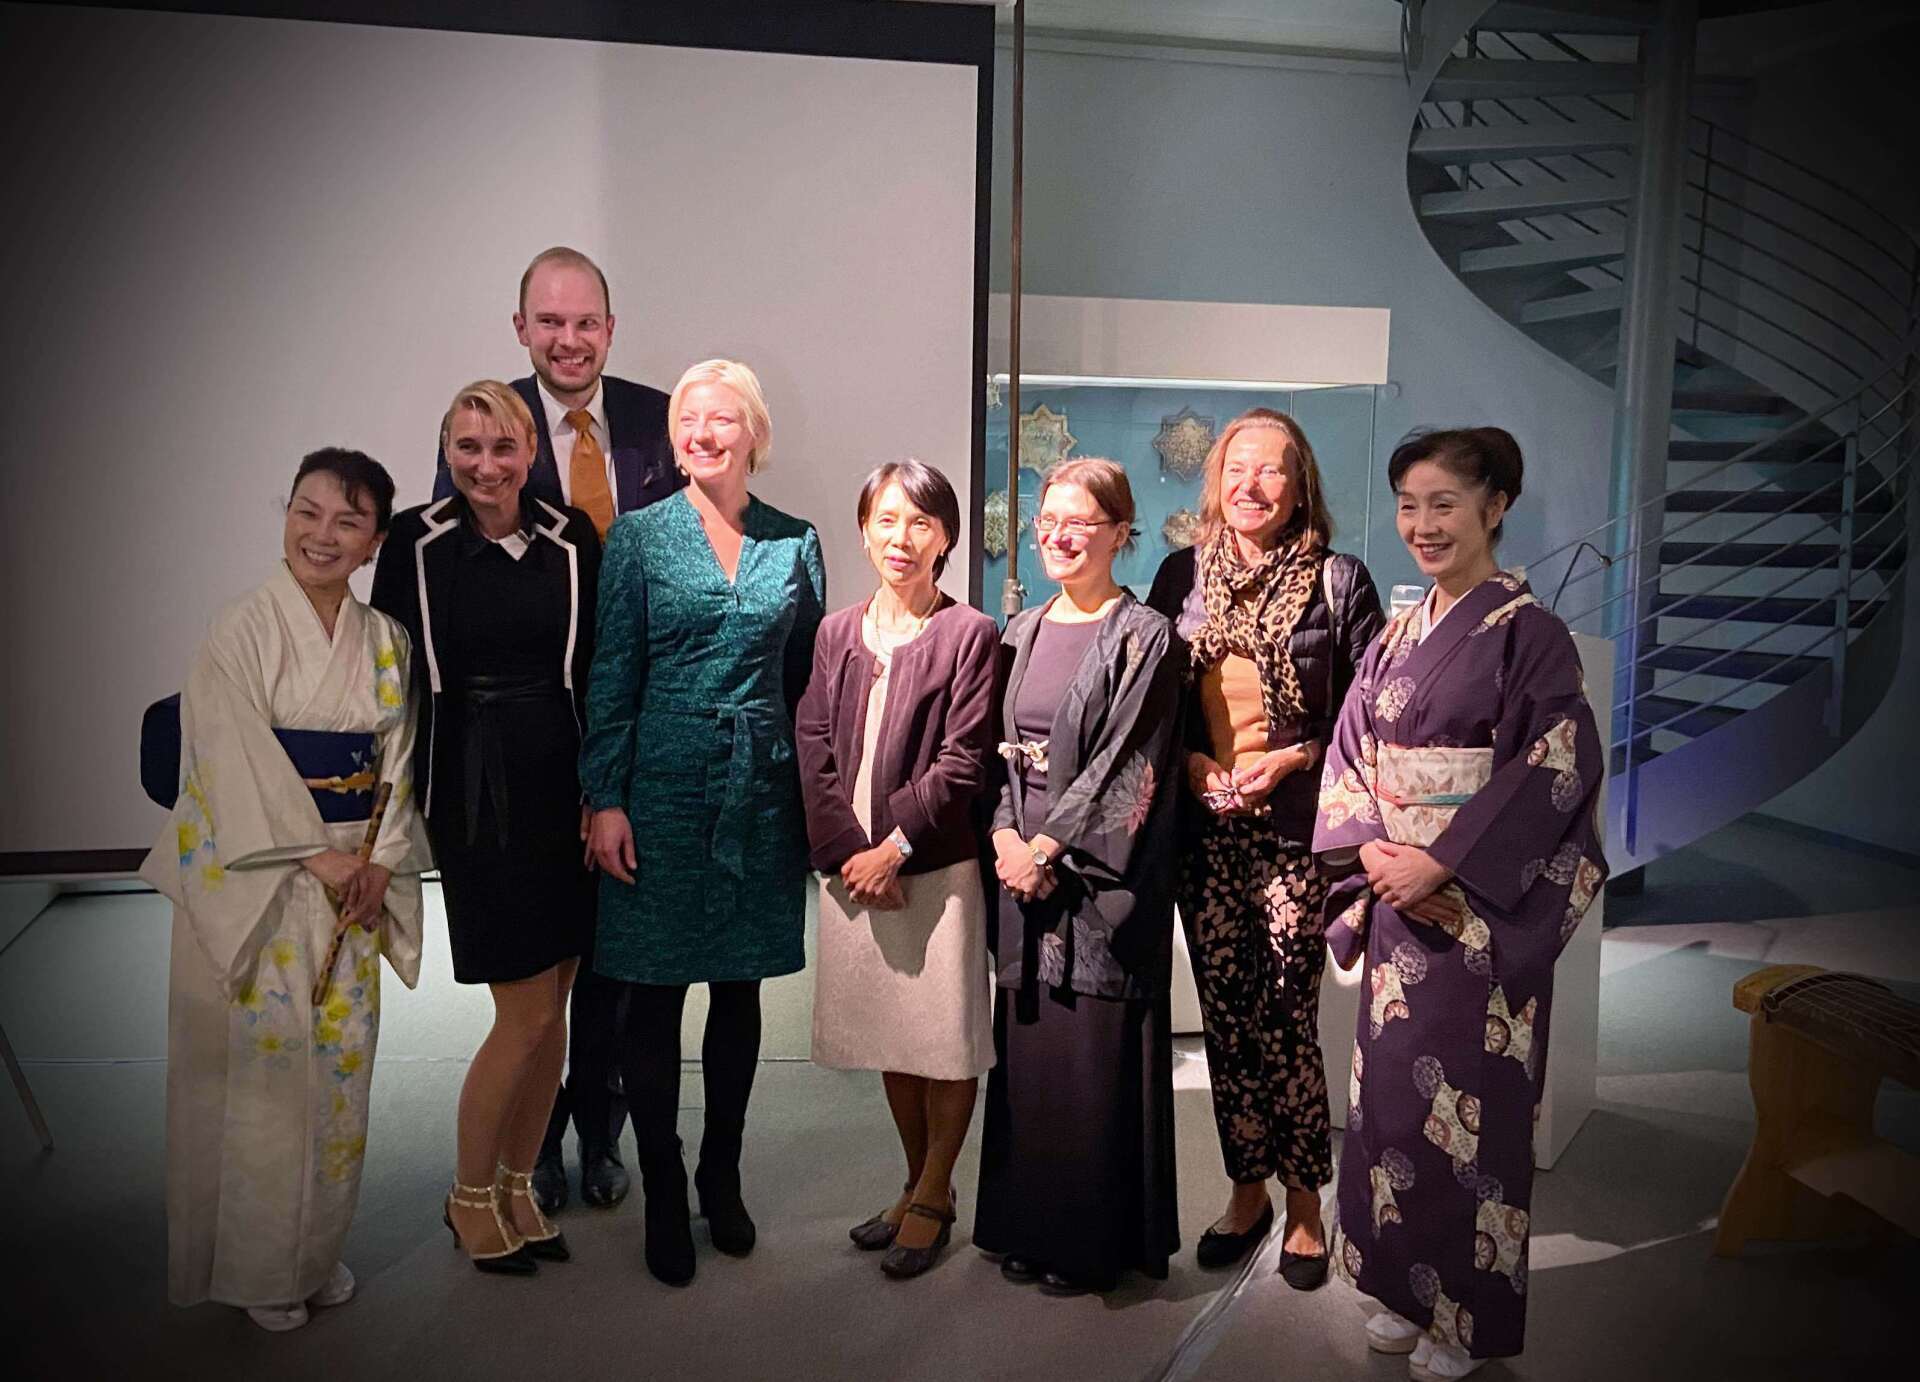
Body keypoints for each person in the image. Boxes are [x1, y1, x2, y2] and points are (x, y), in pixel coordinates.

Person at [1313, 428, 1607, 1380]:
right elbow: (1351, 755)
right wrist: (1377, 863)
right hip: (1399, 905)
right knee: (1392, 1117)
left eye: (1444, 504)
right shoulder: (1396, 635)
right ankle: (1402, 1286)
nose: (1423, 525)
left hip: (1475, 918)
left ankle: (1465, 1317)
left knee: (1473, 1123)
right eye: (1409, 504)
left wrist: (1439, 863)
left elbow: (1555, 766)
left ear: (1496, 507)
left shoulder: (1532, 636)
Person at [143, 448, 426, 1332]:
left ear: (376, 541)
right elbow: (223, 760)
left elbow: (400, 763)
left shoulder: (387, 641)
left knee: (338, 1074)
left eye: (348, 522)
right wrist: (318, 855)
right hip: (264, 876)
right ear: (287, 516)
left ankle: (311, 1251)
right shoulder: (242, 627)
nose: (322, 535)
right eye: (307, 512)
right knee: (264, 1076)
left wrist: (380, 858)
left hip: (353, 880)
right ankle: (259, 1269)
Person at [434, 246, 683, 1213]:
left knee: (608, 953)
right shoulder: (485, 428)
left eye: (586, 323)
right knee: (537, 962)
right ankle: (528, 1149)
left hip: (637, 715)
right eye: (550, 322)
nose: (568, 340)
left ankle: (602, 1128)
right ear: (520, 329)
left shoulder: (663, 422)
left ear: (610, 330)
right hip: (531, 737)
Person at [583, 358, 825, 1286]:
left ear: (755, 435)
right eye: (689, 419)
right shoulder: (638, 540)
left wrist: (815, 802)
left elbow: (806, 685)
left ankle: (721, 1172)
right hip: (659, 787)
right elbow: (612, 675)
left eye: (722, 419)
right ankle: (659, 1181)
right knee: (651, 993)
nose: (702, 433)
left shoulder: (794, 541)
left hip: (759, 789)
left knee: (738, 989)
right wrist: (604, 797)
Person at [1145, 409, 1385, 1287]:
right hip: (1207, 834)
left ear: (1301, 483)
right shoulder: (1179, 576)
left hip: (1293, 834)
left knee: (1287, 1015)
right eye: (1236, 469)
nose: (1251, 486)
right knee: (1225, 1019)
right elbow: (1155, 705)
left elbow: (1367, 713)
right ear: (1215, 482)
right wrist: (1198, 762)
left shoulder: (1338, 580)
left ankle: (1308, 1201)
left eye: (1271, 471)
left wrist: (1291, 755)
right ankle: (1247, 1190)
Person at [373, 380, 602, 1276]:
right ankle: (467, 1195)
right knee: (524, 1009)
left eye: (502, 447)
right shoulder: (416, 542)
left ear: (530, 453)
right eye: (467, 447)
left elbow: (590, 668)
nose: (485, 466)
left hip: (563, 783)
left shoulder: (570, 538)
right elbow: (390, 677)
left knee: (558, 1014)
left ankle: (516, 1183)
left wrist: (603, 788)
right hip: (473, 790)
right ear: (447, 451)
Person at [973, 458, 1184, 1295]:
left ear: (1121, 531)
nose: (1058, 535)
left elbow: (1130, 764)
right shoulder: (1019, 628)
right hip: (1019, 866)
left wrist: (1047, 848)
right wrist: (1000, 838)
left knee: (1090, 1058)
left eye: (1079, 521)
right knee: (1028, 1057)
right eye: (1046, 521)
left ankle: (1091, 1242)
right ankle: (1028, 1227)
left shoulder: (1146, 636)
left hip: (1096, 881)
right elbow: (995, 751)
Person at [795, 460, 998, 1280]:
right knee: (892, 1034)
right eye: (886, 520)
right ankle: (920, 1187)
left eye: (919, 522)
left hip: (934, 871)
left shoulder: (970, 633)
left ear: (945, 535)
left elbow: (964, 763)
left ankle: (936, 1188)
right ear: (864, 530)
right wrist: (850, 849)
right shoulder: (836, 630)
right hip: (853, 871)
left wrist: (894, 845)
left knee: (941, 1037)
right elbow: (812, 745)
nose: (900, 538)